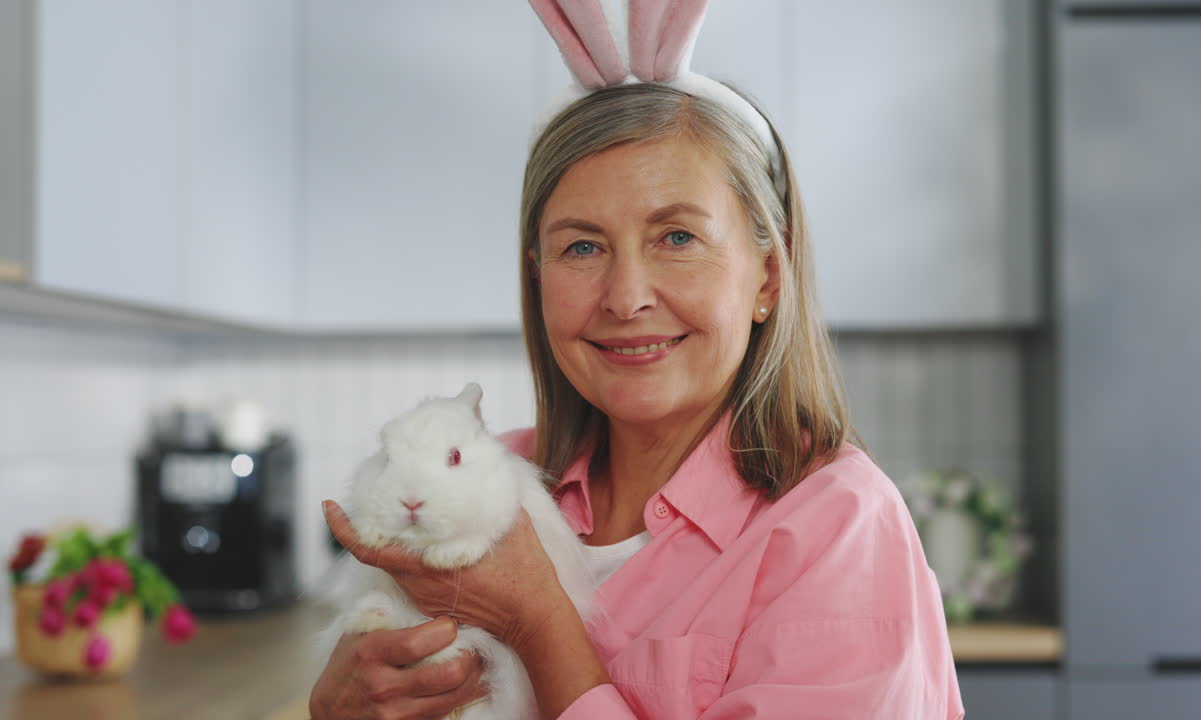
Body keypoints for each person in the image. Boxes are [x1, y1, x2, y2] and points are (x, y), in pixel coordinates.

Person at [310, 3, 965, 719]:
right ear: (538, 278)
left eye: (677, 237)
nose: (625, 298)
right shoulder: (493, 475)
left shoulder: (836, 527)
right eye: (582, 247)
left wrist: (539, 622)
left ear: (768, 277)